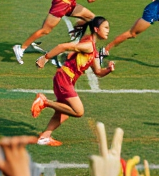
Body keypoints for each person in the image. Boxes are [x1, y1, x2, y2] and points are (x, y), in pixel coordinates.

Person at [30, 17, 116, 146]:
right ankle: (44, 102)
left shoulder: (91, 46)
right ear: (97, 29)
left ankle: (44, 137)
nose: (108, 31)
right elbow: (63, 46)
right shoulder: (88, 46)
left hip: (66, 79)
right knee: (78, 111)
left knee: (64, 112)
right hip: (64, 78)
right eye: (106, 28)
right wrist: (45, 58)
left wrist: (108, 69)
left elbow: (98, 71)